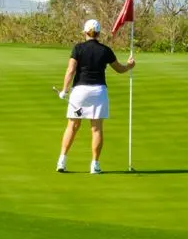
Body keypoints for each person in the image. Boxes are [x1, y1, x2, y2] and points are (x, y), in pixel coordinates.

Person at [56, 19, 135, 174]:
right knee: (96, 129)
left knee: (72, 126)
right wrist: (129, 66)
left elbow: (70, 70)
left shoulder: (78, 48)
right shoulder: (105, 50)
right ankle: (95, 165)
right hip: (98, 91)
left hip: (79, 91)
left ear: (85, 32)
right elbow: (119, 69)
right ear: (98, 33)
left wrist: (64, 90)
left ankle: (62, 161)